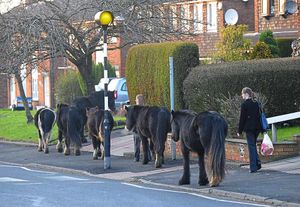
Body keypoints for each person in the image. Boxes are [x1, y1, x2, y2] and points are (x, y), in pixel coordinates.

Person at [237, 87, 262, 173]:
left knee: (251, 147)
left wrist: (239, 131)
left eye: (242, 94)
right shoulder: (256, 103)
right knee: (253, 146)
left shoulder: (244, 105)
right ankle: (258, 163)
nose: (242, 95)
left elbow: (242, 119)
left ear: (246, 94)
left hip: (249, 129)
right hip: (257, 128)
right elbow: (260, 116)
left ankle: (253, 167)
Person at [133, 94, 152, 162]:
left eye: (140, 100)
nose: (139, 102)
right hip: (138, 129)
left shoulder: (143, 109)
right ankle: (138, 157)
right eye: (138, 100)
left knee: (142, 144)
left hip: (143, 129)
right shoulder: (136, 109)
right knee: (138, 144)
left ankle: (145, 157)